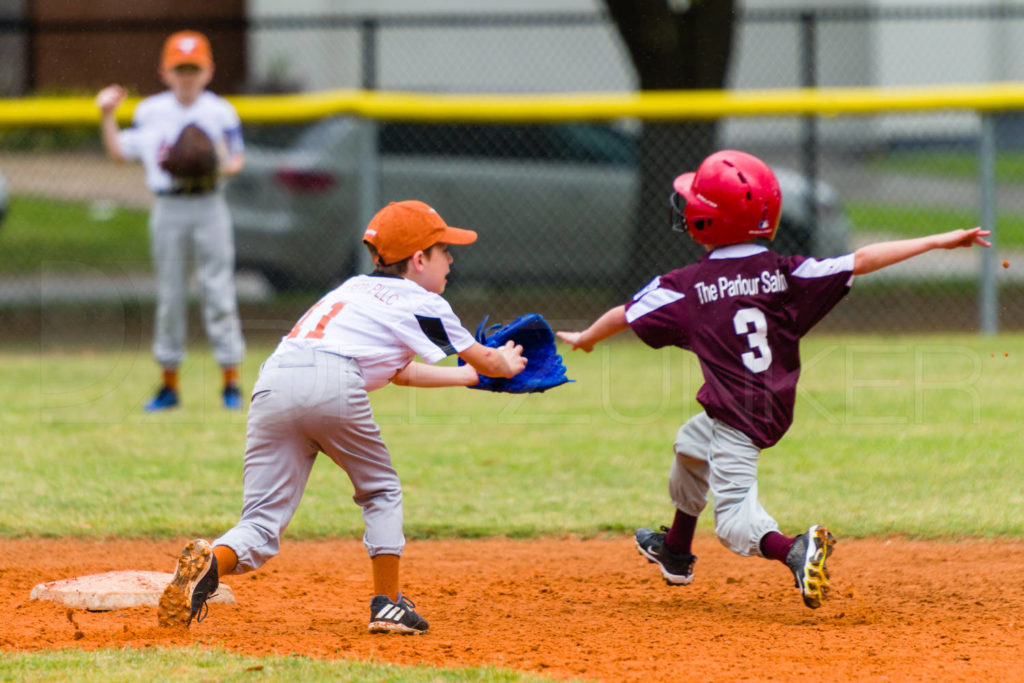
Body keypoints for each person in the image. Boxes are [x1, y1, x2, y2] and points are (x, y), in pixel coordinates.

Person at [556, 150, 990, 609]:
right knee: (690, 446)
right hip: (772, 405)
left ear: (706, 221)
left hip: (738, 417)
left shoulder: (687, 284)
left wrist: (586, 338)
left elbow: (626, 313)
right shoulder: (786, 273)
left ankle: (795, 550)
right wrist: (939, 241)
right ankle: (676, 551)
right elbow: (861, 260)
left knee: (734, 522)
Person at [156, 200, 527, 634]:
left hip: (274, 380)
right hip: (332, 381)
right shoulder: (422, 301)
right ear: (419, 258)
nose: (451, 258)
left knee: (259, 522)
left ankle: (208, 565)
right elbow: (490, 361)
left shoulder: (351, 289)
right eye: (444, 249)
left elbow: (398, 371)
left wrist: (464, 377)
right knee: (381, 491)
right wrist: (502, 361)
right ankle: (387, 604)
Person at [96, 30, 247, 411]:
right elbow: (118, 154)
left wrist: (211, 167)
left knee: (219, 291)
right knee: (170, 295)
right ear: (166, 72)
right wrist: (107, 115)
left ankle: (231, 382)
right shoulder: (151, 111)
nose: (187, 76)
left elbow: (236, 159)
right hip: (169, 207)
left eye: (193, 68)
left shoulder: (220, 111)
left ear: (208, 71)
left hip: (209, 202)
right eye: (180, 69)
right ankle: (169, 385)